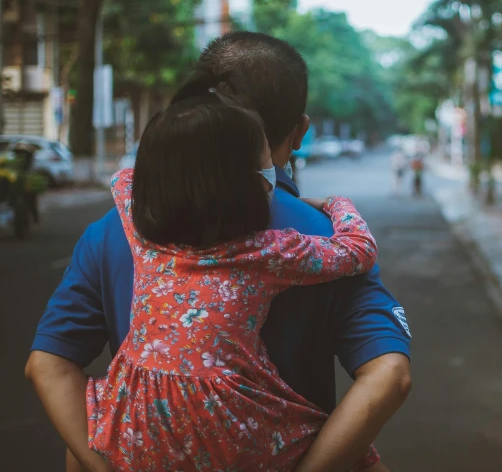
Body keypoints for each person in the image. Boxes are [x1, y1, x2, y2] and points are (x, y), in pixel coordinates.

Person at [26, 32, 411, 472]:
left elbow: (47, 365)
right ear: (299, 131)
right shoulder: (314, 237)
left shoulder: (122, 226)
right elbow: (390, 376)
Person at [83, 74, 379, 471]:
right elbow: (357, 251)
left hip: (139, 411)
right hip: (228, 417)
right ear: (243, 187)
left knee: (86, 438)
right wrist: (337, 204)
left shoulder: (140, 232)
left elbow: (125, 180)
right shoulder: (266, 251)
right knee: (358, 457)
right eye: (262, 166)